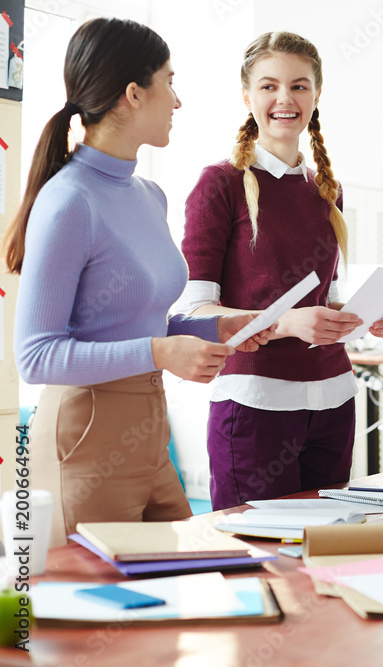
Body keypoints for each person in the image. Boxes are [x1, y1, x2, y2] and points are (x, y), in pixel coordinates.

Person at [5, 18, 272, 548]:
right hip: (84, 440)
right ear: (133, 94)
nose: (177, 101)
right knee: (96, 617)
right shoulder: (68, 201)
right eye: (169, 82)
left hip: (151, 435)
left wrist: (220, 327)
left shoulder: (149, 195)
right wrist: (159, 351)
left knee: (181, 596)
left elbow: (140, 321)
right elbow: (36, 357)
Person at [176, 32, 383, 511]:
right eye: (268, 86)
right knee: (253, 558)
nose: (285, 99)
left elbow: (325, 302)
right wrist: (282, 324)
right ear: (247, 96)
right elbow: (195, 311)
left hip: (335, 403)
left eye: (299, 86)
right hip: (255, 404)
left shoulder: (328, 190)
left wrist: (366, 315)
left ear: (317, 96)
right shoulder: (219, 183)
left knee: (320, 559)